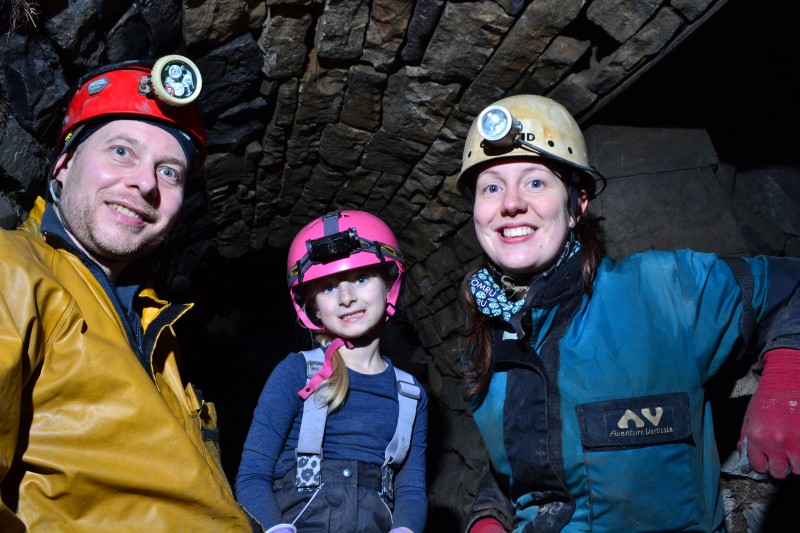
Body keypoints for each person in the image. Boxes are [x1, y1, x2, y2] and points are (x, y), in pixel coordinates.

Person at [456, 95, 800, 532]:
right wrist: (491, 513)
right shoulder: (483, 343)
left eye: (535, 183)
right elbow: (534, 451)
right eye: (491, 187)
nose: (510, 204)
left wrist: (791, 366)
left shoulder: (665, 290)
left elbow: (792, 285)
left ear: (577, 204)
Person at [0, 56, 257, 531]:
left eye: (170, 173)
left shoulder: (151, 323)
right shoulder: (12, 270)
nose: (144, 183)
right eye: (122, 151)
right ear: (64, 164)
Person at [235, 210, 428, 533]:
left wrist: (405, 529)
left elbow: (411, 490)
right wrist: (274, 528)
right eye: (327, 288)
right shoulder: (296, 373)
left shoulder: (410, 395)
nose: (347, 298)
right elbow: (253, 475)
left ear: (388, 284)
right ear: (313, 307)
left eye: (362, 279)